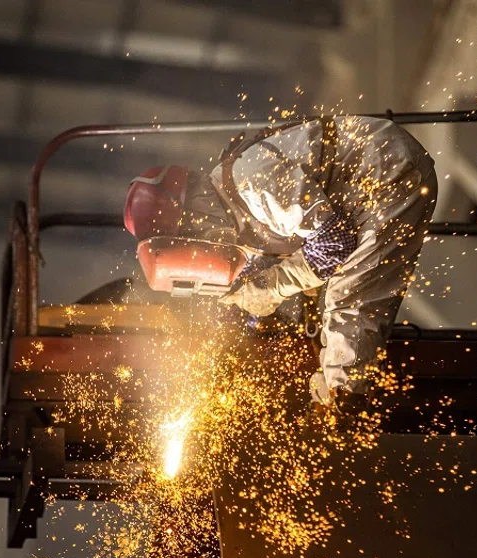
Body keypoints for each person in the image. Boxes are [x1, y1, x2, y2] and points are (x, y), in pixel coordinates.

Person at [124, 116, 437, 412]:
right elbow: (291, 262)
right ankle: (340, 393)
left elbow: (334, 245)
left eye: (195, 238)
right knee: (338, 299)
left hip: (385, 170)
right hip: (365, 185)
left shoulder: (252, 185)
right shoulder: (237, 214)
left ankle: (346, 408)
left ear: (194, 213)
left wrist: (271, 287)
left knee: (349, 297)